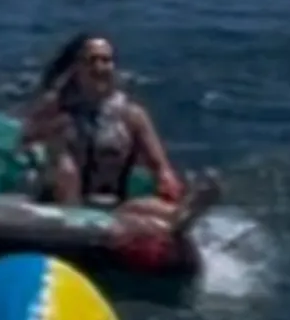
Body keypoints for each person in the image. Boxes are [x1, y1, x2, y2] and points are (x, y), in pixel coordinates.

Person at [22, 33, 215, 225]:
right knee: (64, 165)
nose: (99, 67)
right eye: (91, 60)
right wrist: (50, 131)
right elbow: (24, 142)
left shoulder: (131, 116)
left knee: (143, 208)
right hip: (56, 204)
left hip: (110, 206)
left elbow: (159, 165)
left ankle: (181, 214)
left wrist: (166, 181)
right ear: (76, 67)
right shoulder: (55, 107)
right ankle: (72, 216)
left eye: (106, 60)